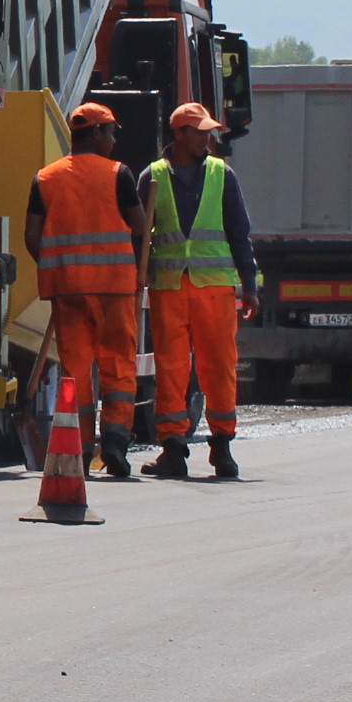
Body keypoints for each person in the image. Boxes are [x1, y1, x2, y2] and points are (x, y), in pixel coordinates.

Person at [26, 103, 149, 480]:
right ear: (95, 133)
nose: (113, 140)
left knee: (75, 370)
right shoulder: (119, 174)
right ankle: (114, 439)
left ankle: (77, 447)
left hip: (67, 291)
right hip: (114, 289)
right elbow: (140, 225)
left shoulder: (44, 178)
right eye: (111, 132)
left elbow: (32, 237)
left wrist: (59, 266)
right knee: (118, 365)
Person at [141, 102, 262, 479]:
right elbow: (139, 236)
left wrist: (250, 284)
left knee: (219, 365)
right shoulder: (152, 177)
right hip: (170, 287)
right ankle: (173, 449)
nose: (209, 138)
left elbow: (239, 232)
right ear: (179, 135)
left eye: (210, 131)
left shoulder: (222, 175)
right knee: (172, 367)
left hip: (214, 288)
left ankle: (222, 446)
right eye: (201, 132)